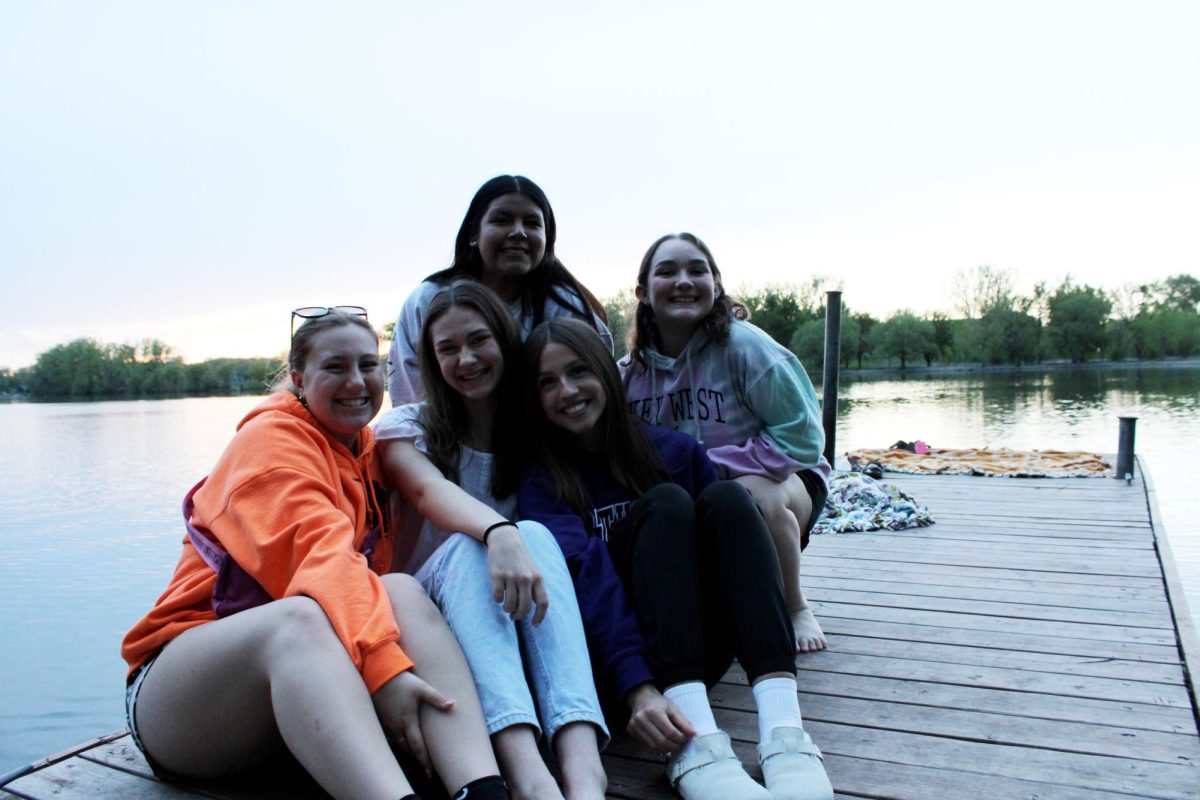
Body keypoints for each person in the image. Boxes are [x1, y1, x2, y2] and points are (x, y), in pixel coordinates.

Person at [121, 307, 510, 800]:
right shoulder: (267, 447)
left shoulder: (364, 447)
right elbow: (322, 559)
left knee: (401, 591)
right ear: (299, 378)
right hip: (182, 703)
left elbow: (423, 500)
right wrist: (386, 671)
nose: (357, 380)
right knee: (299, 620)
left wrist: (500, 532)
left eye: (369, 365)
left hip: (294, 705)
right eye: (335, 367)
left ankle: (481, 789)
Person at [518, 319, 833, 800]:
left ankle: (784, 731)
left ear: (605, 372)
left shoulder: (676, 451)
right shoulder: (542, 482)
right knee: (664, 505)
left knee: (729, 501)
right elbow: (586, 580)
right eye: (546, 382)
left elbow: (730, 560)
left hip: (695, 648)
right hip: (620, 673)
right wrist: (637, 685)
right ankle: (697, 746)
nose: (567, 390)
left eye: (579, 371)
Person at [375, 282, 608, 800]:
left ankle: (583, 765)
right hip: (429, 617)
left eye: (479, 340)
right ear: (431, 362)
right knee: (468, 547)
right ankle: (527, 772)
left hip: (511, 617)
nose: (466, 358)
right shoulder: (404, 428)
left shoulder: (534, 432)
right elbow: (427, 491)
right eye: (447, 349)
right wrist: (496, 532)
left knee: (537, 534)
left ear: (504, 342)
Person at [620, 233, 831, 654]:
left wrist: (714, 464)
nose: (683, 280)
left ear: (716, 285)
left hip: (784, 480)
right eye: (667, 271)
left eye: (697, 270)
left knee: (747, 493)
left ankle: (794, 605)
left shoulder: (747, 348)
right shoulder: (629, 372)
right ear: (642, 292)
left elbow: (805, 437)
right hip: (693, 490)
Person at [387, 174, 612, 406]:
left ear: (547, 239)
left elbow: (598, 391)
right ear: (474, 234)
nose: (518, 232)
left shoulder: (565, 307)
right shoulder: (427, 301)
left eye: (532, 223)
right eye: (502, 220)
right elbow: (409, 400)